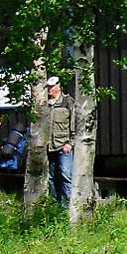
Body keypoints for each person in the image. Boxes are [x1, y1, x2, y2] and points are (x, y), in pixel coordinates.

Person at [37, 75, 73, 205]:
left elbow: (75, 123)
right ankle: (56, 205)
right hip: (49, 146)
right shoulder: (45, 104)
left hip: (63, 145)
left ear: (58, 87)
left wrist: (70, 143)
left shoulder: (68, 102)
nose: (49, 90)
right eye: (48, 87)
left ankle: (68, 205)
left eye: (51, 87)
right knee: (51, 177)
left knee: (65, 174)